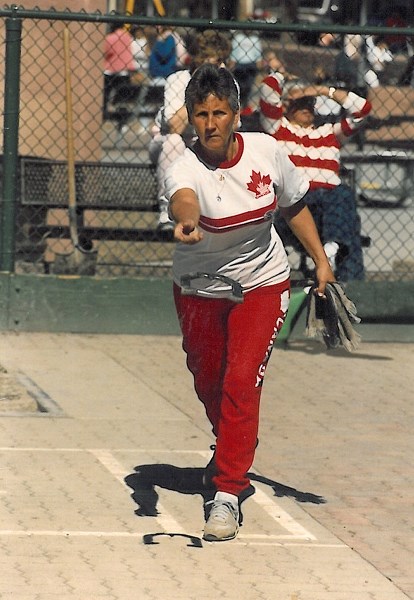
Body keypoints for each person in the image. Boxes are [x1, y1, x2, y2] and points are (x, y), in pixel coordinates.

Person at [165, 63, 335, 541]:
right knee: (209, 378)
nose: (211, 122)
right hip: (199, 286)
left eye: (220, 112)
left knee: (242, 380)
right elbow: (183, 199)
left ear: (237, 114)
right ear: (192, 118)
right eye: (201, 114)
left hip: (262, 282)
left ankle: (226, 493)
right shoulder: (184, 166)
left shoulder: (266, 150)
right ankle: (234, 444)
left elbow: (294, 205)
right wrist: (186, 221)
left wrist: (320, 259)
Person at [260, 74, 372, 280]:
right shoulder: (278, 129)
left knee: (342, 196)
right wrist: (283, 77)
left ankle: (332, 251)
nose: (306, 106)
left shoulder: (329, 134)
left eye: (310, 102)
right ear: (286, 105)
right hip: (296, 204)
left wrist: (323, 90)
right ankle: (334, 258)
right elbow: (268, 90)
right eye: (299, 102)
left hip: (330, 208)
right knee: (349, 220)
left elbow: (362, 110)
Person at [149, 30, 232, 232]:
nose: (219, 67)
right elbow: (175, 127)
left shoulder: (227, 81)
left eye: (222, 61)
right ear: (198, 61)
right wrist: (197, 89)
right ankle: (166, 210)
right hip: (170, 145)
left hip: (205, 145)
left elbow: (231, 126)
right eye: (214, 63)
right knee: (173, 142)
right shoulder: (178, 80)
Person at [103, 22, 137, 120]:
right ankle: (122, 115)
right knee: (123, 96)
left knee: (106, 94)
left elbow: (106, 51)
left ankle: (106, 114)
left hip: (111, 70)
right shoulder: (128, 37)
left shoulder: (110, 38)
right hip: (125, 70)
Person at [228, 29, 263, 113]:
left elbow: (258, 54)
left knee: (248, 87)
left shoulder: (255, 39)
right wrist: (231, 65)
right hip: (240, 64)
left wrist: (259, 65)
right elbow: (234, 53)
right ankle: (238, 105)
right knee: (238, 86)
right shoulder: (238, 38)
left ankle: (245, 106)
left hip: (250, 64)